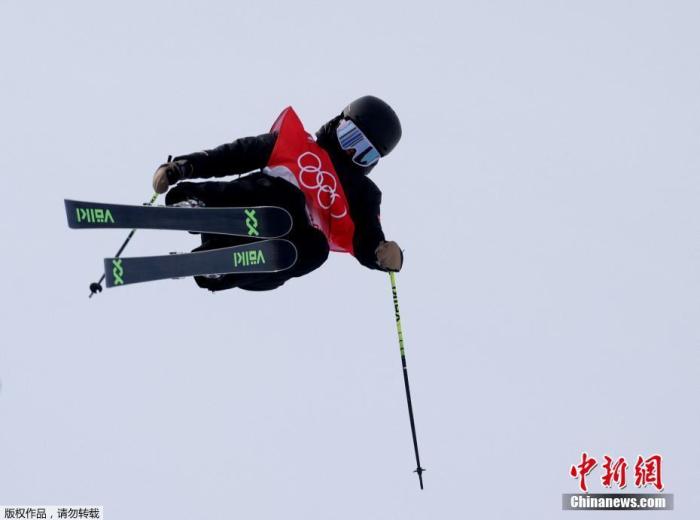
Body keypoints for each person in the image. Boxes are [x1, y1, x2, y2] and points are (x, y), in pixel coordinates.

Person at [152, 95, 404, 292]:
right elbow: (234, 155)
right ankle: (195, 205)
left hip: (264, 260)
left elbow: (367, 236)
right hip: (239, 211)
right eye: (350, 137)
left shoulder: (361, 194)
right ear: (338, 123)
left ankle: (217, 265)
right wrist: (182, 167)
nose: (351, 152)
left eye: (364, 152)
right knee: (285, 197)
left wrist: (384, 253)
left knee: (317, 248)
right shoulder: (294, 144)